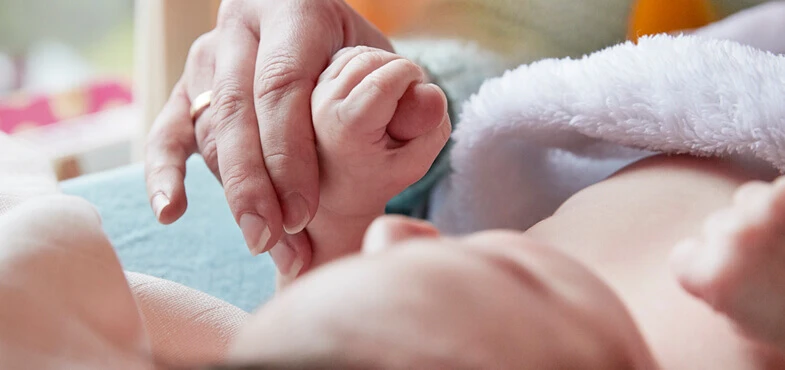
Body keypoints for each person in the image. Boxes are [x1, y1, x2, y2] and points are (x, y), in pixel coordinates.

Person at [6, 38, 785, 368]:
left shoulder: (434, 296)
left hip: (532, 142)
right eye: (509, 282)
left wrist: (341, 213)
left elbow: (355, 332)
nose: (400, 239)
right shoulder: (725, 333)